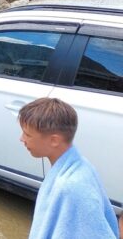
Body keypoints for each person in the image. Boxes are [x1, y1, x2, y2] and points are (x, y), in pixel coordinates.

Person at [19, 97, 119, 239]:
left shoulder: (71, 187)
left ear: (54, 140)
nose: (21, 139)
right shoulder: (81, 165)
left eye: (27, 134)